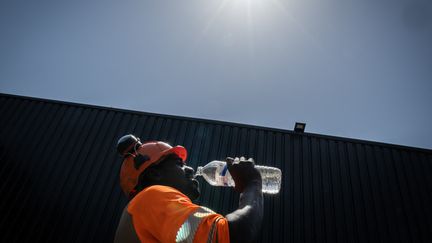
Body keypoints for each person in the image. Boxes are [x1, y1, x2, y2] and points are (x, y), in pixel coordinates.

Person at [114, 134, 263, 243]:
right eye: (180, 164)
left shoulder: (144, 214)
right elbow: (233, 235)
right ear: (155, 174)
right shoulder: (150, 197)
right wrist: (252, 183)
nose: (190, 169)